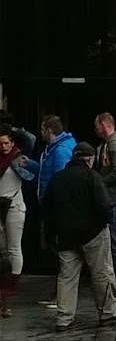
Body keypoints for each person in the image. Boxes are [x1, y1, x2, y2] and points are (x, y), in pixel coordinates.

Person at [42, 143, 116, 331]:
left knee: (67, 277)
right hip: (93, 233)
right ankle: (107, 313)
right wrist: (107, 220)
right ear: (90, 159)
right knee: (101, 273)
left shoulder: (58, 178)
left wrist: (52, 236)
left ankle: (64, 317)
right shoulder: (93, 177)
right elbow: (104, 205)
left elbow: (47, 208)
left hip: (66, 236)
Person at [18, 116, 77, 309]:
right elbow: (47, 172)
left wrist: (55, 207)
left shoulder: (60, 150)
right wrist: (31, 164)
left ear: (50, 131)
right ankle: (60, 293)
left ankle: (61, 295)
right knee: (60, 252)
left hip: (56, 209)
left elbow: (60, 181)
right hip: (53, 208)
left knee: (61, 253)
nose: (40, 132)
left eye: (42, 129)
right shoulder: (54, 148)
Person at [94, 111, 116, 299]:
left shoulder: (114, 144)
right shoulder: (111, 143)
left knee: (115, 242)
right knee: (113, 241)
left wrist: (98, 182)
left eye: (97, 126)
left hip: (114, 199)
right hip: (114, 198)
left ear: (104, 125)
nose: (95, 129)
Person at [0, 124, 32, 317]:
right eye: (0, 143)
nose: (3, 147)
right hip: (0, 205)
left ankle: (12, 286)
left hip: (14, 205)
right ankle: (4, 287)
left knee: (13, 247)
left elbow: (30, 139)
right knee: (3, 249)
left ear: (12, 143)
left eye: (6, 143)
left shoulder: (18, 157)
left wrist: (15, 130)